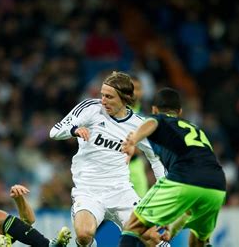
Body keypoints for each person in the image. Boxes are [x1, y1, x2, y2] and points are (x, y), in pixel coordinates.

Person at [49, 71, 166, 246]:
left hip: (121, 191)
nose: (103, 100)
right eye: (102, 95)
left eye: (109, 97)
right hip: (89, 190)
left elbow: (156, 157)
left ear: (125, 99)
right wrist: (74, 131)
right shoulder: (90, 108)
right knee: (83, 235)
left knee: (152, 237)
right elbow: (54, 131)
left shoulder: (139, 124)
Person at [118, 88, 226, 247]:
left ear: (154, 109)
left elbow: (153, 122)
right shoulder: (196, 129)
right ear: (180, 111)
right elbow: (190, 205)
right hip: (217, 186)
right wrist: (173, 229)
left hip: (184, 177)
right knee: (199, 242)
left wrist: (134, 139)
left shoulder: (160, 119)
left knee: (133, 226)